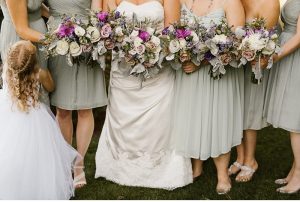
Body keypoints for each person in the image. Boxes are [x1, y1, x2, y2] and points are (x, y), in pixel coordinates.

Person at [95, 0, 193, 190]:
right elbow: (106, 28)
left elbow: (171, 33)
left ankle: (161, 170)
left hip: (158, 70)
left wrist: (150, 50)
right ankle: (119, 166)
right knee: (121, 116)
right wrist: (126, 48)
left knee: (159, 121)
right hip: (123, 70)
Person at [172, 0, 245, 194]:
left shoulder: (231, 2)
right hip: (187, 74)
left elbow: (236, 44)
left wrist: (201, 62)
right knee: (192, 117)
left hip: (218, 73)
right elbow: (173, 34)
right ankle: (197, 165)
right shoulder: (181, 1)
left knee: (218, 120)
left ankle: (222, 174)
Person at [0, 40, 77, 200]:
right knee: (39, 154)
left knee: (11, 151)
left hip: (9, 111)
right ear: (34, 62)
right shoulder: (39, 73)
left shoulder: (7, 71)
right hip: (34, 115)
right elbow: (51, 87)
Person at [46, 0, 107, 188]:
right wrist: (54, 21)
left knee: (84, 108)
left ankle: (79, 165)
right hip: (58, 39)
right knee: (62, 109)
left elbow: (97, 10)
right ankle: (66, 162)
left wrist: (90, 33)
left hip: (87, 38)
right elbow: (35, 5)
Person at [228, 0, 280, 183]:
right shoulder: (236, 2)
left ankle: (251, 160)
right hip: (235, 64)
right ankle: (240, 157)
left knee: (250, 110)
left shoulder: (269, 3)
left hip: (255, 65)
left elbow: (269, 40)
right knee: (237, 109)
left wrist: (260, 57)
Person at [265, 0, 300, 194]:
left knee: (295, 120)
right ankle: (294, 171)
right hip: (290, 56)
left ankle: (299, 177)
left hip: (295, 57)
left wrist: (274, 56)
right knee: (295, 119)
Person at [0, 0, 50, 104]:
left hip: (40, 36)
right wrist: (54, 40)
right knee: (23, 87)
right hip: (19, 38)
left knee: (41, 82)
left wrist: (59, 18)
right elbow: (22, 30)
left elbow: (35, 6)